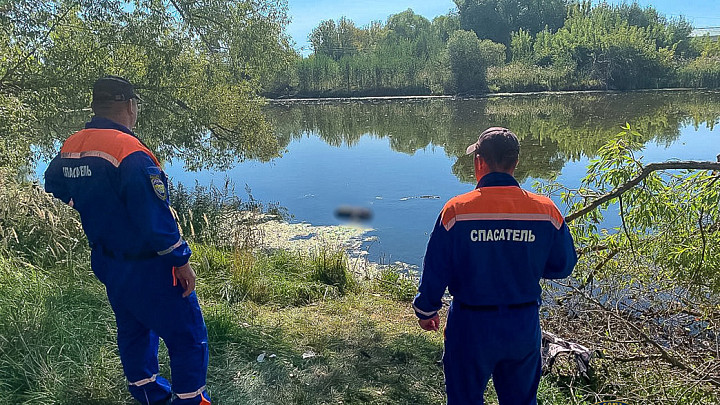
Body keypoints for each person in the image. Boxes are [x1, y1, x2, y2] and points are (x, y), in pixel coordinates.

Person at [44, 76, 211, 405]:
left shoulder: (72, 145)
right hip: (148, 264)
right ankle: (190, 400)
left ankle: (148, 394)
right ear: (130, 106)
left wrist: (88, 204)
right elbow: (155, 218)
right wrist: (180, 260)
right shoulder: (129, 152)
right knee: (188, 336)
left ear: (95, 106)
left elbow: (53, 183)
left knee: (133, 327)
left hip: (108, 261)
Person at [412, 127, 577, 405]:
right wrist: (526, 263)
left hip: (471, 325)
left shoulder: (457, 211)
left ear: (479, 161)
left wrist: (426, 310)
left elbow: (436, 268)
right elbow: (563, 266)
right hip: (522, 324)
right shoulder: (546, 211)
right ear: (516, 163)